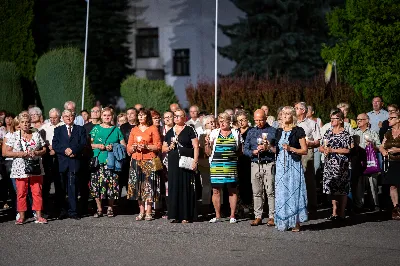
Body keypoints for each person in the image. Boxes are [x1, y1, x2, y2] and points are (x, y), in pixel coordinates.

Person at [3, 113, 48, 224]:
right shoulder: (14, 135)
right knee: (21, 192)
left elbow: (44, 149)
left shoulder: (36, 133)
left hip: (35, 166)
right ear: (19, 123)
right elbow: (5, 152)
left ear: (30, 123)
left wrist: (37, 152)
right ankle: (22, 217)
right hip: (20, 167)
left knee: (37, 191)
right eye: (22, 122)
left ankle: (38, 216)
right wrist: (20, 154)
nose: (25, 124)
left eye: (27, 122)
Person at [274, 106, 308, 232]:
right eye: (283, 113)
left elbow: (304, 150)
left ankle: (296, 222)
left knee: (294, 191)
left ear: (292, 116)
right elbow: (276, 150)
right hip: (281, 165)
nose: (285, 116)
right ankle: (283, 221)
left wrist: (291, 149)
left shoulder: (298, 130)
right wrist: (267, 146)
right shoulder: (278, 131)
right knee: (282, 193)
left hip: (293, 164)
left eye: (288, 114)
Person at [162, 109, 199, 223]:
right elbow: (163, 148)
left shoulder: (189, 129)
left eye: (179, 116)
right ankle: (175, 214)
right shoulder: (170, 132)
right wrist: (169, 147)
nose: (176, 118)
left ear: (184, 117)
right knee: (174, 187)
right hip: (173, 163)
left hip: (185, 162)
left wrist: (195, 161)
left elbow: (196, 146)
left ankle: (186, 215)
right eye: (175, 116)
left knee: (185, 187)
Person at [205, 112, 242, 224]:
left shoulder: (235, 133)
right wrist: (207, 144)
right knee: (216, 191)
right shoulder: (214, 133)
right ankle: (217, 215)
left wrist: (233, 158)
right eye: (220, 121)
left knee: (232, 190)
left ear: (229, 122)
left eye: (224, 121)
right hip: (216, 166)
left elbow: (240, 150)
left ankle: (232, 215)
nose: (221, 123)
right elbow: (208, 153)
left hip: (231, 166)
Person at [90, 107, 125, 218]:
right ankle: (99, 208)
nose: (106, 117)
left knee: (112, 185)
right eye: (104, 115)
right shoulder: (96, 129)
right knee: (97, 185)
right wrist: (98, 146)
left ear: (112, 116)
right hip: (98, 160)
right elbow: (88, 144)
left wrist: (114, 146)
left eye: (108, 115)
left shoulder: (116, 130)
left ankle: (110, 208)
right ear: (101, 116)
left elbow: (124, 145)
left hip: (111, 161)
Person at [127, 108, 162, 221]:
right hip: (136, 160)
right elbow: (129, 147)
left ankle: (149, 211)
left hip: (149, 160)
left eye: (143, 115)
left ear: (147, 117)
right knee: (138, 186)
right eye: (139, 115)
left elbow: (158, 146)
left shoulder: (153, 129)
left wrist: (147, 146)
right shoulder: (134, 129)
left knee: (149, 187)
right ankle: (141, 211)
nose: (141, 117)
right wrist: (133, 147)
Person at [244, 109, 276, 226]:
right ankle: (258, 216)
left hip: (268, 163)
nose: (259, 122)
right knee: (257, 192)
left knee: (270, 191)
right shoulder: (251, 131)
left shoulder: (273, 131)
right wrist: (253, 152)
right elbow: (245, 149)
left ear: (265, 118)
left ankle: (272, 216)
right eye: (256, 120)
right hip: (255, 163)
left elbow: (278, 149)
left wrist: (268, 148)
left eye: (261, 120)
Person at [52, 110, 87, 220]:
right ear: (62, 118)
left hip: (74, 161)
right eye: (66, 116)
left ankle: (73, 211)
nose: (68, 118)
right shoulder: (58, 130)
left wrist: (73, 150)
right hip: (62, 162)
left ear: (74, 117)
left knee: (73, 188)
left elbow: (83, 143)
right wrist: (65, 150)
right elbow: (55, 144)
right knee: (61, 188)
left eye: (71, 116)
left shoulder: (80, 129)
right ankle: (62, 211)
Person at [320, 109, 353, 221]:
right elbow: (321, 146)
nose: (332, 120)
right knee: (332, 189)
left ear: (341, 120)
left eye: (335, 118)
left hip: (341, 165)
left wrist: (332, 150)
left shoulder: (345, 134)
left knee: (342, 189)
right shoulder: (328, 132)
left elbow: (348, 150)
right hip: (329, 165)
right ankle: (334, 212)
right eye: (331, 118)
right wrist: (323, 150)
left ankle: (342, 213)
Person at [295, 102, 321, 214]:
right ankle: (298, 205)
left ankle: (312, 205)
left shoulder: (311, 124)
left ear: (303, 110)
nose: (294, 110)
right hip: (294, 152)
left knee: (308, 179)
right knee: (296, 179)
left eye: (296, 108)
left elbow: (318, 141)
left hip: (307, 152)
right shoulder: (292, 123)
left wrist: (307, 143)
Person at [352, 113, 381, 212]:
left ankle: (374, 204)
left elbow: (379, 147)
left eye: (360, 119)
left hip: (370, 160)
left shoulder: (373, 133)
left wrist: (372, 145)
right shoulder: (354, 133)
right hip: (359, 161)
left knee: (372, 183)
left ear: (367, 121)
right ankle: (359, 205)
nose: (358, 121)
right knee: (359, 183)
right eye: (357, 119)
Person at [39, 108, 62, 216]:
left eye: (55, 117)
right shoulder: (44, 127)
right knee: (46, 183)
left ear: (59, 117)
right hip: (47, 157)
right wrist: (48, 148)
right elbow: (39, 141)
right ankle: (44, 208)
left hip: (60, 157)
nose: (52, 120)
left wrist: (56, 149)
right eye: (51, 117)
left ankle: (59, 208)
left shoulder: (63, 126)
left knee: (59, 183)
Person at [379, 113, 400, 220]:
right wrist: (383, 151)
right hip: (391, 161)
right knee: (392, 185)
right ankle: (396, 208)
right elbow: (382, 146)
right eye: (389, 118)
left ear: (398, 119)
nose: (389, 120)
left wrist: (397, 150)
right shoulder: (388, 132)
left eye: (392, 118)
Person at [235, 110, 253, 212]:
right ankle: (240, 207)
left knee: (248, 183)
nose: (241, 123)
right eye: (239, 121)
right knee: (238, 184)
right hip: (238, 160)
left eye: (243, 120)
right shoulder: (236, 132)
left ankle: (250, 206)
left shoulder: (252, 131)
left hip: (248, 160)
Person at [198, 115, 216, 210]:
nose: (212, 124)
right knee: (206, 186)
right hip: (205, 164)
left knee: (217, 186)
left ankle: (218, 206)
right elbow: (202, 152)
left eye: (213, 121)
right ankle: (206, 206)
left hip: (217, 163)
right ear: (205, 125)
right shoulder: (202, 136)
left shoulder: (219, 134)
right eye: (209, 123)